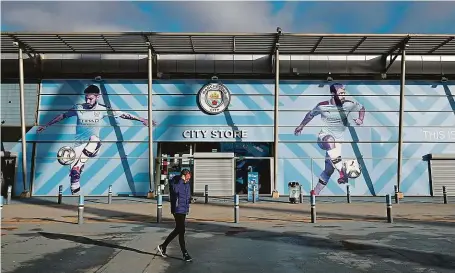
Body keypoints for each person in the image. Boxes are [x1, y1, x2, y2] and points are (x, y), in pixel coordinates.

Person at [36, 84, 155, 195]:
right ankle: (77, 196)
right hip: (79, 145)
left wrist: (142, 120)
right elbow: (63, 116)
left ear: (97, 97)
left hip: (94, 146)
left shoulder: (103, 109)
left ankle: (78, 166)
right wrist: (46, 125)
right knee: (74, 175)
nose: (88, 101)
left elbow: (123, 114)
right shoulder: (78, 108)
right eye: (86, 98)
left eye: (91, 99)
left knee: (94, 138)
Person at [294, 83, 365, 196]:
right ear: (333, 94)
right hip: (324, 138)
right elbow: (310, 115)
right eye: (340, 93)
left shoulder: (349, 104)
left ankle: (315, 193)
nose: (343, 95)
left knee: (328, 170)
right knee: (329, 140)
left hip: (338, 142)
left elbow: (361, 108)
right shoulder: (322, 106)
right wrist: (301, 126)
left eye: (344, 93)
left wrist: (361, 119)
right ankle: (342, 172)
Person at [157, 169, 193, 262]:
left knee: (180, 230)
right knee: (181, 229)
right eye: (187, 177)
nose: (188, 180)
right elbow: (175, 190)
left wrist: (190, 200)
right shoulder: (175, 182)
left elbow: (187, 196)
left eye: (189, 178)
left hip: (184, 209)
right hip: (177, 209)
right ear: (183, 176)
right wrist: (182, 180)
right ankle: (185, 253)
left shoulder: (187, 184)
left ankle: (163, 246)